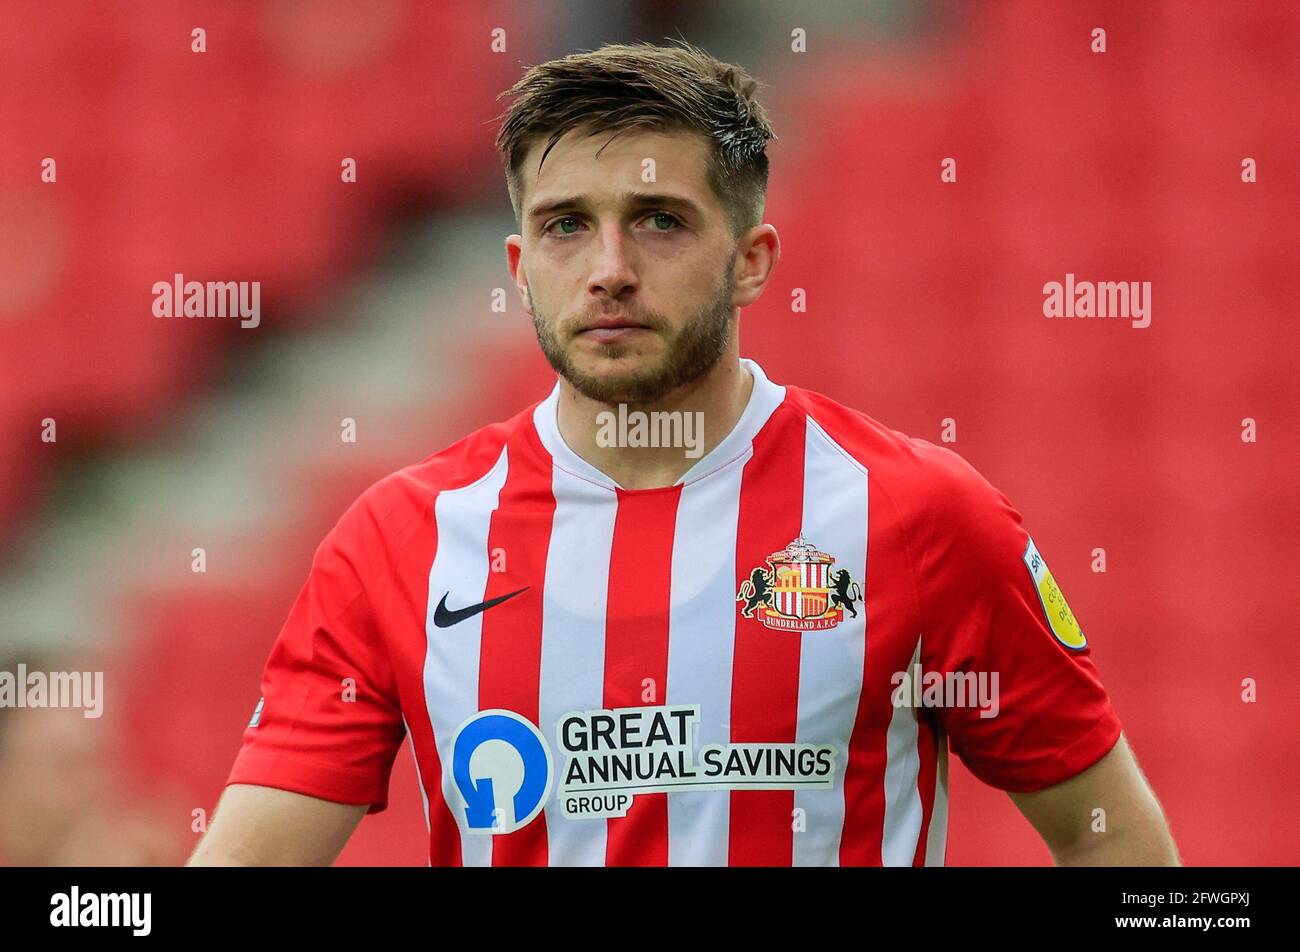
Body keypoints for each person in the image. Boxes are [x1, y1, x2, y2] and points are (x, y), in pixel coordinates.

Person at [189, 40, 1178, 867]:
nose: (609, 270)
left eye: (659, 221)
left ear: (751, 260)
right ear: (519, 265)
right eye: (566, 225)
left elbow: (1115, 844)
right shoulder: (398, 541)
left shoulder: (916, 516)